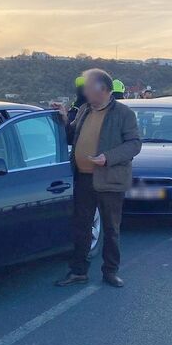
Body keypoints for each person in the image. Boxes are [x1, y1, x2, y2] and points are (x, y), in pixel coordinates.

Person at [55, 68, 142, 288]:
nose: (83, 90)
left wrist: (108, 158)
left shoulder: (123, 113)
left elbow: (134, 144)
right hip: (84, 178)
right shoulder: (85, 110)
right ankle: (78, 271)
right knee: (81, 227)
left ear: (102, 89)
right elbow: (72, 136)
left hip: (110, 180)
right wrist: (64, 119)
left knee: (111, 229)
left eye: (87, 86)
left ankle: (110, 271)